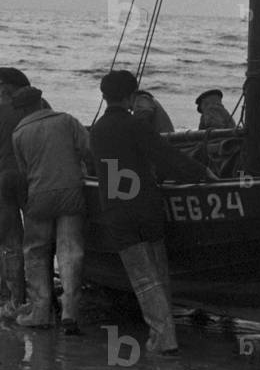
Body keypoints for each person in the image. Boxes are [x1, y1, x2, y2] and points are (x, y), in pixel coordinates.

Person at [91, 70, 215, 354]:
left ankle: (163, 337)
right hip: (146, 206)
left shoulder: (97, 130)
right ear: (131, 96)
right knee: (159, 272)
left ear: (104, 96)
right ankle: (166, 336)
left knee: (142, 279)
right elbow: (165, 157)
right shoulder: (136, 125)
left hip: (117, 210)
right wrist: (201, 172)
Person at [12, 88, 89, 331]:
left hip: (39, 195)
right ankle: (70, 311)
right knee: (70, 251)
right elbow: (88, 151)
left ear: (22, 110)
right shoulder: (67, 120)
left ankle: (41, 311)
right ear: (41, 102)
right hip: (71, 193)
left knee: (36, 252)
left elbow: (24, 171)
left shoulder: (19, 133)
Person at [0, 67, 33, 315]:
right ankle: (41, 298)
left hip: (3, 175)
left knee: (9, 240)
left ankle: (16, 297)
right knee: (37, 238)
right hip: (30, 176)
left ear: (6, 88)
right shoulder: (40, 105)